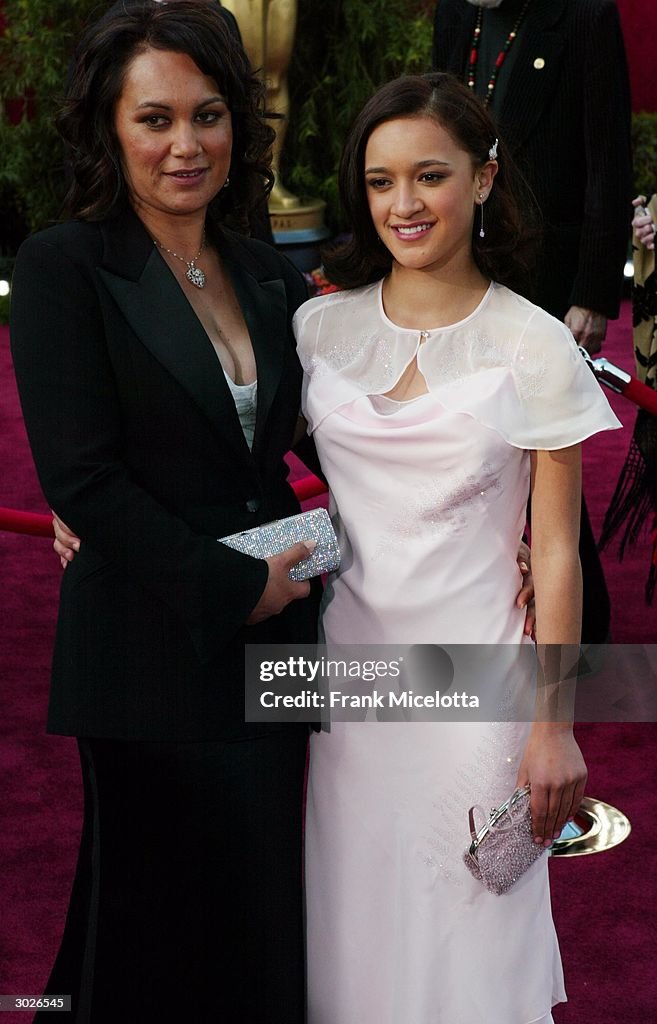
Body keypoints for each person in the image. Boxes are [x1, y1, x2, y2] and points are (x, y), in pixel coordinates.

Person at [9, 3, 321, 1020]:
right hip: (146, 651)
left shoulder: (269, 272)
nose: (185, 144)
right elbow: (83, 481)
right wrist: (236, 586)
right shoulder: (64, 267)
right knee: (148, 939)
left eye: (208, 115)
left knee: (262, 922)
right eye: (155, 119)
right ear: (110, 128)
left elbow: (345, 446)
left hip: (278, 652)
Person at [293, 73, 620, 1023]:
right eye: (380, 180)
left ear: (482, 179)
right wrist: (102, 524)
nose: (403, 204)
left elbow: (553, 553)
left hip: (478, 695)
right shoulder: (317, 327)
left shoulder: (532, 343)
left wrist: (553, 726)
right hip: (346, 692)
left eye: (429, 176)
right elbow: (301, 507)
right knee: (354, 936)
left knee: (470, 946)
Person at [432, 0, 633, 644]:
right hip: (465, 265)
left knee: (542, 455)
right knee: (474, 442)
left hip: (548, 276)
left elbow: (609, 160)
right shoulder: (455, 12)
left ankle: (579, 622)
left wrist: (593, 292)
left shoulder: (583, 15)